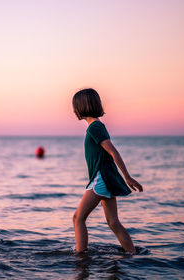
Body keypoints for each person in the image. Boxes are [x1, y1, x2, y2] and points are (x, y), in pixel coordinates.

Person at [72, 88, 143, 254]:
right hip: (105, 179)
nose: (74, 110)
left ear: (82, 107)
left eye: (75, 106)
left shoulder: (95, 127)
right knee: (113, 222)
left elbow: (113, 152)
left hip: (101, 179)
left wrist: (127, 177)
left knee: (78, 218)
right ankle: (131, 254)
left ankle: (81, 258)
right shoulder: (96, 126)